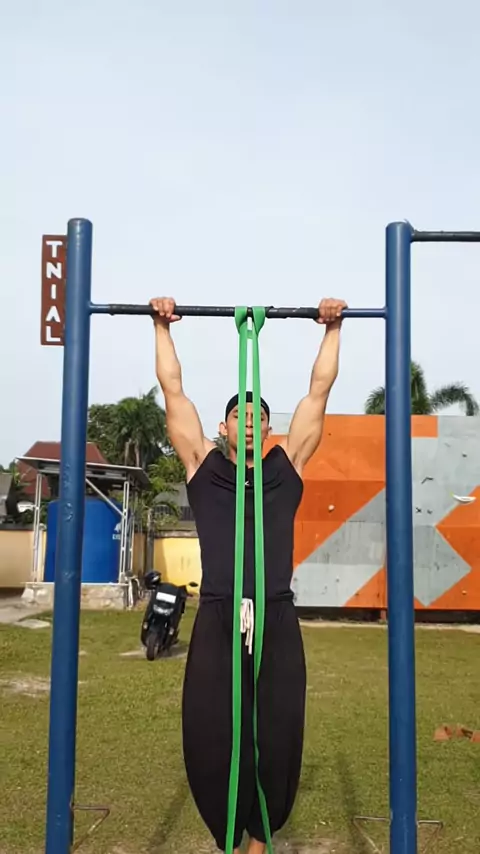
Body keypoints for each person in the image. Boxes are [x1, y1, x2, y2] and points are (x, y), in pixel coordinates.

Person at [150, 296, 347, 854]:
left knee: (276, 729)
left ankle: (259, 841)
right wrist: (161, 326)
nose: (252, 422)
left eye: (260, 416)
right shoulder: (204, 468)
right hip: (218, 613)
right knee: (214, 728)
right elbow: (173, 392)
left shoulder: (286, 470)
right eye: (241, 415)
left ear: (268, 428)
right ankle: (230, 835)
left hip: (276, 614)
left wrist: (332, 328)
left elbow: (318, 393)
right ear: (224, 426)